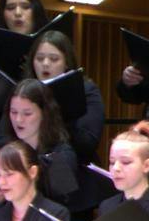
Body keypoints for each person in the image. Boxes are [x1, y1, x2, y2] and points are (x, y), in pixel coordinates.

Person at [19, 30, 106, 163]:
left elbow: (87, 142)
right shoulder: (23, 90)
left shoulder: (86, 90)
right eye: (39, 58)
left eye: (54, 59)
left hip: (73, 164)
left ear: (66, 62)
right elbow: (2, 137)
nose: (45, 64)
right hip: (29, 163)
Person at [0, 80, 80, 209]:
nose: (18, 120)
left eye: (27, 113)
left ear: (44, 114)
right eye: (14, 112)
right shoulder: (8, 148)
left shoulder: (63, 155)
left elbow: (62, 208)